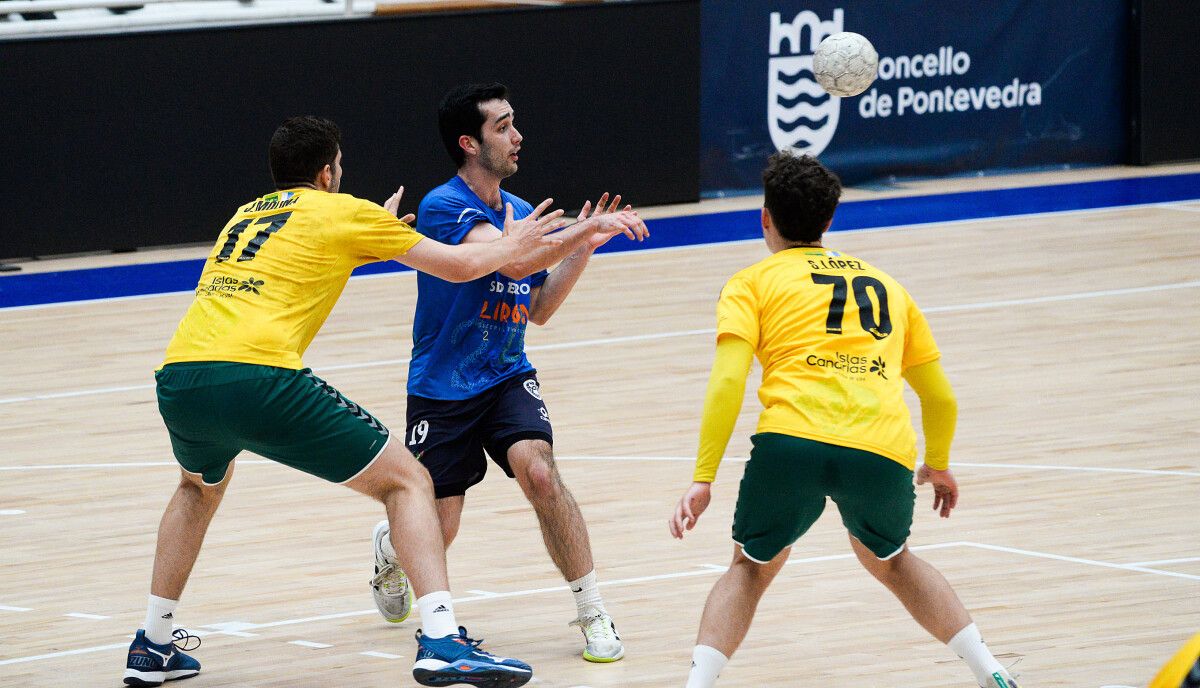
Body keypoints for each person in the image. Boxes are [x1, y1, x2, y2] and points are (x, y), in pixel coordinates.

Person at [123, 115, 566, 688]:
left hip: (181, 378)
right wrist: (516, 243)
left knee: (198, 487)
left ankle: (153, 642)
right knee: (408, 481)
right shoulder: (343, 210)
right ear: (327, 171)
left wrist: (372, 237)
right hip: (258, 376)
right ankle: (441, 641)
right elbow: (461, 267)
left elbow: (304, 261)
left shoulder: (247, 214)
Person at [669, 151, 1022, 688]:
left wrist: (703, 476)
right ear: (829, 222)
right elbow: (941, 397)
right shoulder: (888, 287)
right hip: (880, 449)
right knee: (896, 562)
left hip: (791, 443)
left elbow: (726, 382)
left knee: (749, 568)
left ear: (764, 217)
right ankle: (991, 672)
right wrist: (941, 465)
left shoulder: (750, 283)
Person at [369, 82, 647, 664]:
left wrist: (584, 247)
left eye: (515, 123)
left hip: (506, 375)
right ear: (469, 143)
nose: (517, 136)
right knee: (439, 527)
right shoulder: (445, 205)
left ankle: (591, 608)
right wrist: (588, 230)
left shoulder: (521, 213)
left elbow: (539, 307)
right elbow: (512, 258)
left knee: (540, 475)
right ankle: (391, 549)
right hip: (442, 390)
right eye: (503, 126)